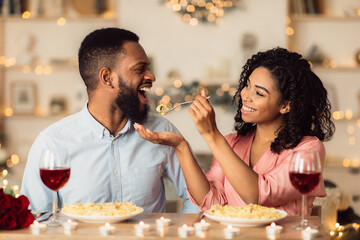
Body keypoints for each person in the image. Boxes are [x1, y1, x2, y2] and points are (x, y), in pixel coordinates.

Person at [134, 47, 335, 216]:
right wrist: (181, 147)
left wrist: (212, 135)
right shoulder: (233, 143)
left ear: (286, 105)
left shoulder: (308, 149)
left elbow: (260, 195)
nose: (245, 96)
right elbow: (211, 203)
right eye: (247, 86)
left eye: (259, 93)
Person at [20, 27, 199, 213]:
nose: (151, 77)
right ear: (107, 78)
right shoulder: (51, 142)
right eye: (140, 69)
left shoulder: (162, 131)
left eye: (148, 68)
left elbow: (200, 200)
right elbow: (37, 217)